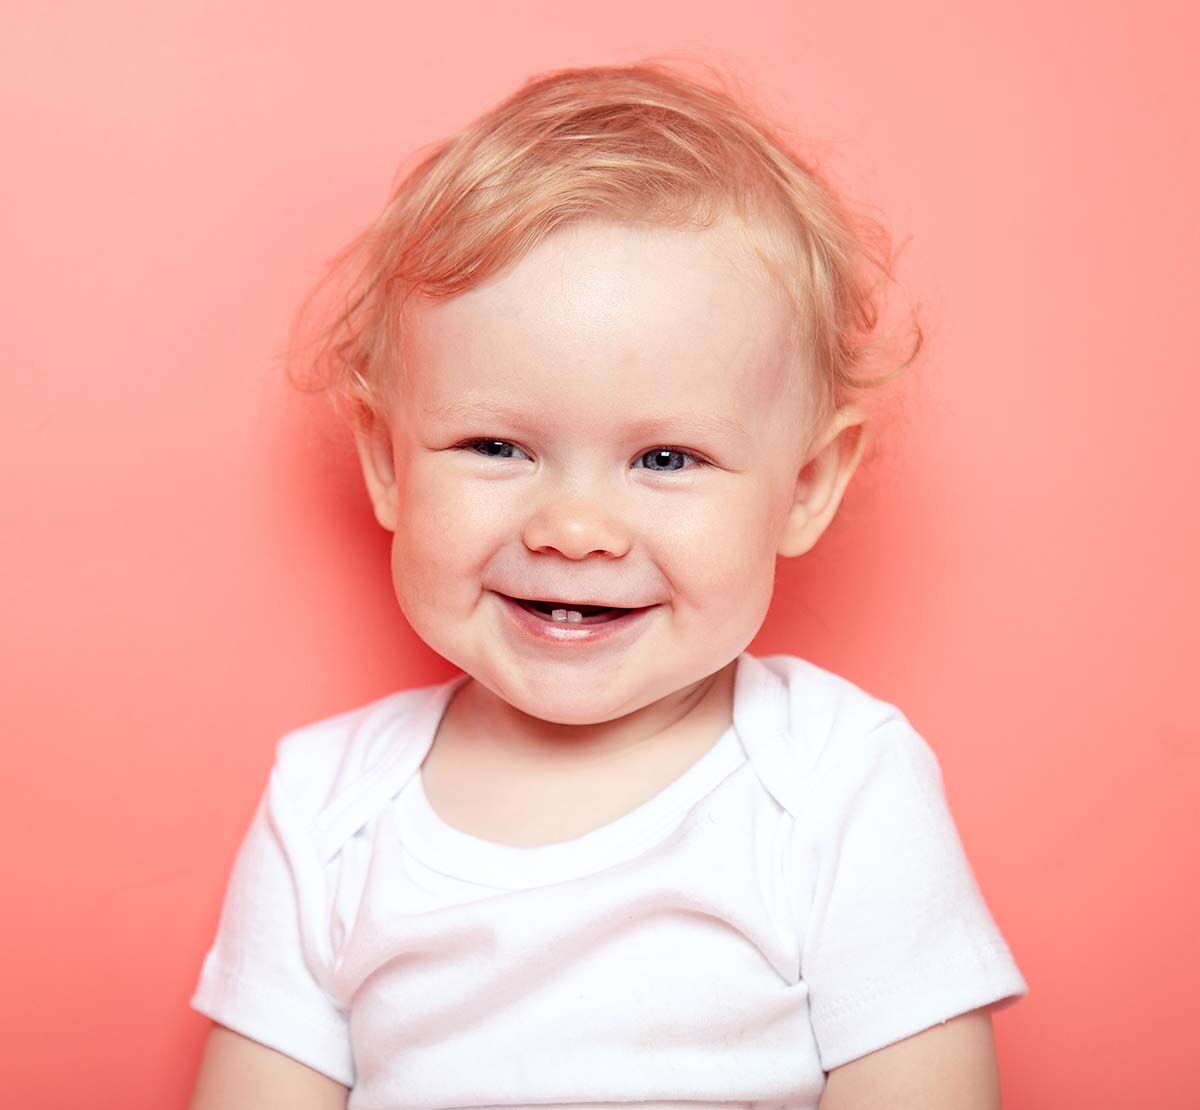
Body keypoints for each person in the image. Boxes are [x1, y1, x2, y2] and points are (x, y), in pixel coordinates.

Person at [187, 59, 1027, 1109]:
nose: (574, 529)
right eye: (496, 445)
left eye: (666, 459)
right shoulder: (326, 809)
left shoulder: (836, 785)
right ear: (388, 463)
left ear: (805, 485)